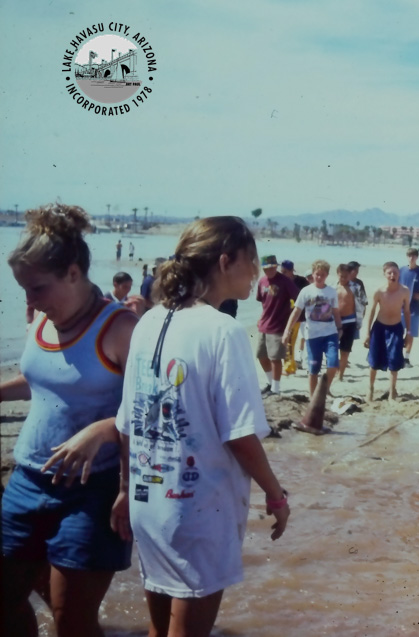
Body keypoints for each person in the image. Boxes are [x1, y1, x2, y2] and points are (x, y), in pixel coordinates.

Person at [115, 216, 289, 637]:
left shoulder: (149, 322)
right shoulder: (223, 331)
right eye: (250, 261)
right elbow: (240, 436)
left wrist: (123, 489)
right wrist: (275, 493)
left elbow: (128, 424)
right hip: (198, 511)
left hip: (147, 503)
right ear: (226, 261)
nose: (254, 272)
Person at [2, 203, 138, 637]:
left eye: (38, 288)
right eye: (23, 290)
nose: (30, 301)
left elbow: (155, 414)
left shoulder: (121, 328)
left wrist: (104, 434)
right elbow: (40, 382)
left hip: (93, 491)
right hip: (26, 481)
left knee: (70, 619)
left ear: (74, 273)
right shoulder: (42, 320)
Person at [283, 260, 340, 405]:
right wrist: (287, 331)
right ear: (312, 274)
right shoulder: (306, 291)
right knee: (313, 368)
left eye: (322, 275)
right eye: (317, 274)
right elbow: (296, 312)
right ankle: (312, 398)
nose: (319, 277)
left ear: (327, 275)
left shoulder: (332, 292)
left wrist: (340, 329)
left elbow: (336, 312)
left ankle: (324, 389)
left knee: (333, 364)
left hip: (330, 333)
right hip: (312, 335)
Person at [363, 262, 412, 402]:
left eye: (395, 273)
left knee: (394, 361)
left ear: (399, 274)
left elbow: (407, 311)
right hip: (379, 328)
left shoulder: (404, 291)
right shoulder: (379, 291)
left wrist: (408, 333)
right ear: (384, 274)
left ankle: (391, 393)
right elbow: (371, 312)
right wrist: (367, 333)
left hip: (396, 328)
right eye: (389, 273)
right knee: (374, 361)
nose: (393, 275)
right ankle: (370, 388)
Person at [255, 254, 298, 394]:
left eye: (272, 268)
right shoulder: (262, 282)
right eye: (267, 268)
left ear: (276, 267)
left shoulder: (285, 281)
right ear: (263, 269)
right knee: (261, 356)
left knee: (275, 358)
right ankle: (270, 382)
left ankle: (276, 389)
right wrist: (261, 318)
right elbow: (262, 301)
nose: (270, 271)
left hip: (279, 326)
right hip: (264, 325)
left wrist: (290, 319)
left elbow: (298, 300)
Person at [279, 259, 308, 376]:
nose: (282, 274)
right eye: (281, 271)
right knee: (287, 341)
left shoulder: (301, 281)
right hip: (284, 316)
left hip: (297, 316)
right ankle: (289, 365)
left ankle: (289, 367)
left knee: (290, 341)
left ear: (291, 271)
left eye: (285, 271)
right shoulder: (281, 281)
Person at [335, 263, 358, 382]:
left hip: (350, 321)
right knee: (332, 348)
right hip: (334, 321)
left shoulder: (355, 288)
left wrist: (359, 321)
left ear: (350, 275)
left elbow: (362, 305)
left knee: (345, 350)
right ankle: (333, 371)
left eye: (345, 276)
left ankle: (341, 375)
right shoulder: (332, 288)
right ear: (337, 275)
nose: (343, 279)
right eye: (341, 276)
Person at [348, 261, 368, 341]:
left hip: (355, 315)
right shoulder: (343, 282)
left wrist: (361, 318)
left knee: (350, 341)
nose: (357, 272)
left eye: (357, 270)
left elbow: (363, 302)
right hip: (343, 315)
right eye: (355, 270)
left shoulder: (359, 283)